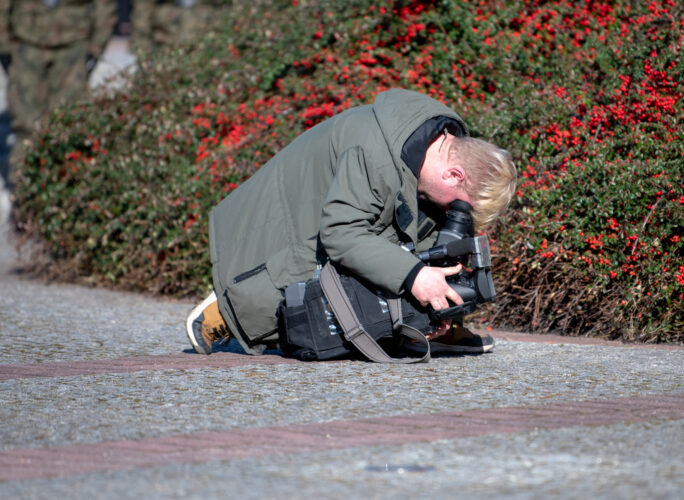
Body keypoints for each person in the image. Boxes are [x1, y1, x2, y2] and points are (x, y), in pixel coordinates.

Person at [185, 88, 517, 357]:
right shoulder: (374, 154)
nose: (456, 212)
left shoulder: (431, 147)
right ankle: (230, 308)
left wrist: (445, 309)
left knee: (428, 232)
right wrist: (415, 276)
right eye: (461, 203)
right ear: (454, 174)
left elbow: (420, 236)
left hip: (336, 221)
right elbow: (341, 234)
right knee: (315, 303)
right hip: (269, 239)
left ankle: (422, 323)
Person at [0, 0, 115, 183]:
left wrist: (96, 46)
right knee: (25, 124)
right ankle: (23, 191)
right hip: (27, 43)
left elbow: (104, 5)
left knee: (69, 124)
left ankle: (63, 191)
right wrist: (4, 43)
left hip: (73, 45)